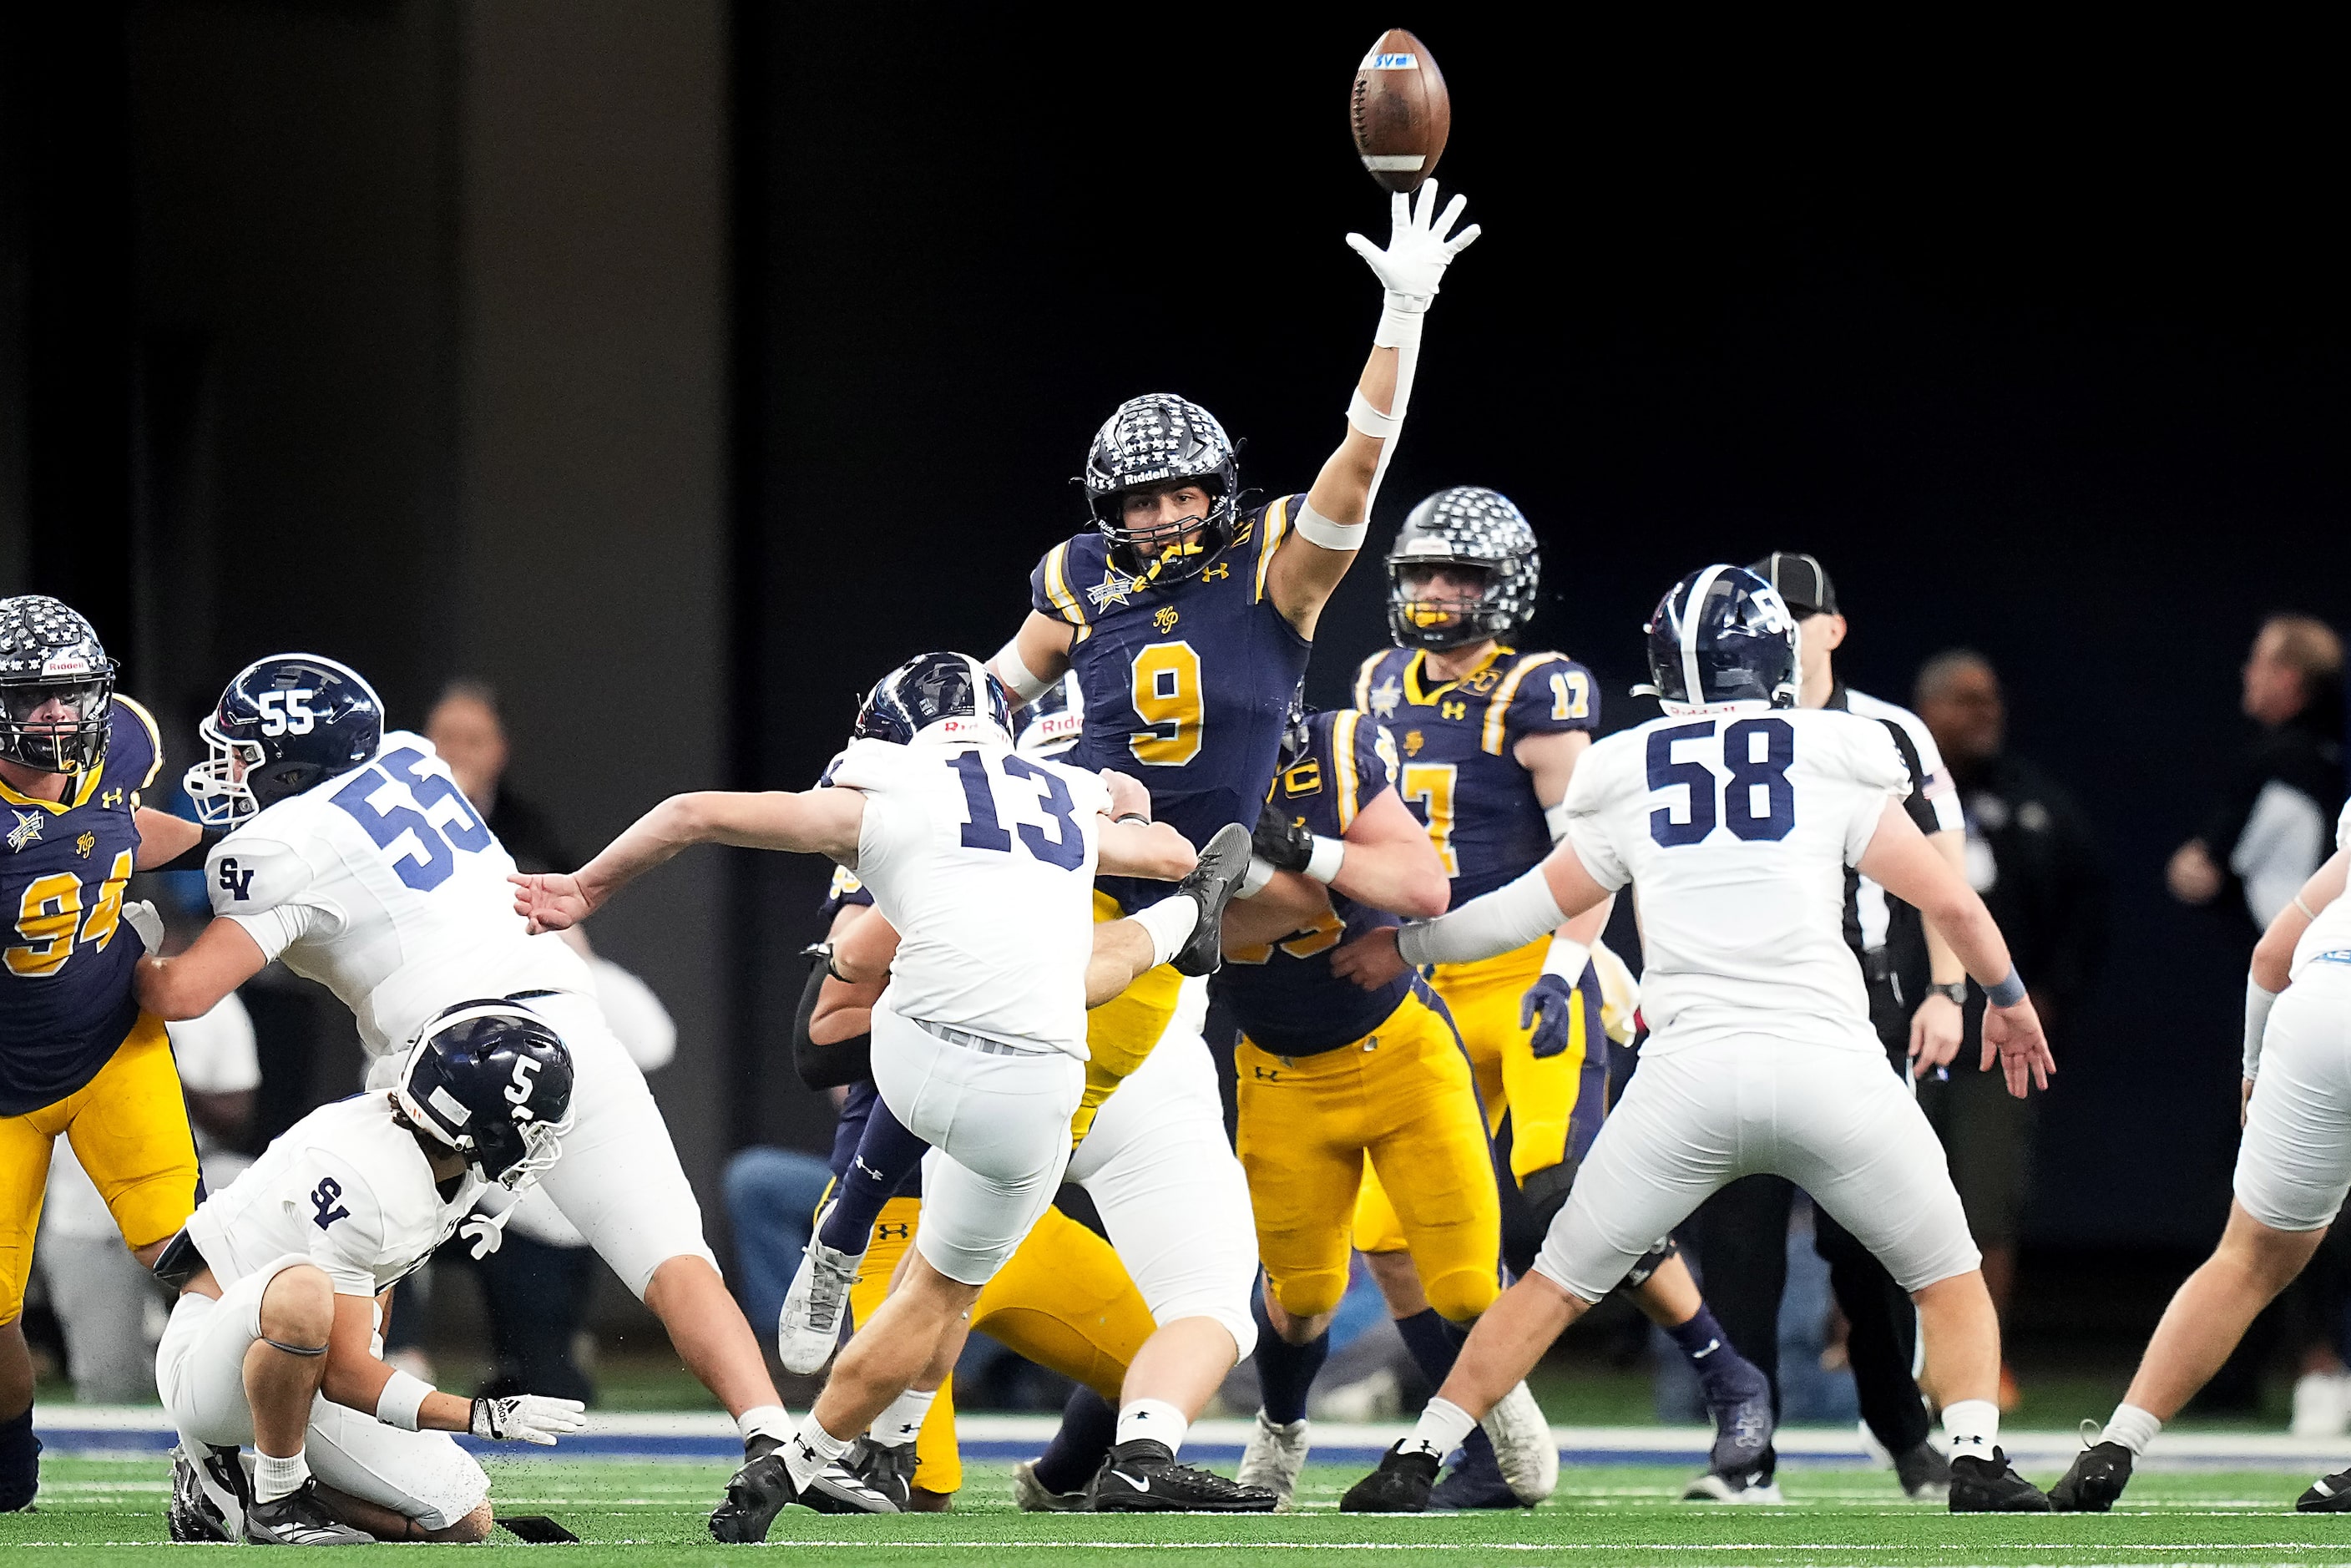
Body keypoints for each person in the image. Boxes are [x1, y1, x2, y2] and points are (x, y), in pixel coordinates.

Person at [1331, 564, 2055, 1515]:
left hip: (1686, 1083)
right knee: (1947, 1274)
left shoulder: (1629, 769)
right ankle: (1971, 1460)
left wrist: (1408, 945)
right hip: (1827, 1067)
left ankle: (1419, 1454)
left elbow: (1521, 911)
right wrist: (2002, 997)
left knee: (1551, 1286)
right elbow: (1949, 899)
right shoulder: (1838, 751)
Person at [979, 185, 1481, 1503]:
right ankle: (929, 1366)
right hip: (1080, 864)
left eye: (1184, 491)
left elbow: (1362, 459)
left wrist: (1403, 313)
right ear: (1106, 505)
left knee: (1168, 1200)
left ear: (1222, 489)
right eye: (1138, 500)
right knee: (1024, 1146)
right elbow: (998, 690)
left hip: (1198, 898)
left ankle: (1096, 1443)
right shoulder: (1076, 573)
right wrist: (914, 753)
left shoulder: (1275, 568)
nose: (1159, 516)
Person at [508, 651, 1253, 1537]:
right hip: (1030, 1087)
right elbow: (1168, 851)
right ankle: (801, 1455)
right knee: (938, 1293)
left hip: (911, 1061)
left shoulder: (889, 788)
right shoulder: (1064, 795)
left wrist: (586, 886)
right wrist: (1118, 809)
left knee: (917, 982)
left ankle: (845, 1223)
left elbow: (691, 815)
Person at [132, 652, 798, 1522]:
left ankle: (246, 1455)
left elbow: (183, 993)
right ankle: (769, 1435)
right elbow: (305, 837)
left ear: (292, 764)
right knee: (672, 1255)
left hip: (443, 1072)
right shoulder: (410, 757)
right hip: (562, 1033)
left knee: (345, 1247)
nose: (224, 773)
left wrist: (105, 927)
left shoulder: (280, 848)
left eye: (245, 756)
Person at [1352, 488, 1775, 1503]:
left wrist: (1563, 969)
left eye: (1461, 576)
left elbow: (1592, 857)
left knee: (1558, 1196)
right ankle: (1497, 1435)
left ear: (1508, 590)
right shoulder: (1373, 682)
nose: (1438, 593)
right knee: (1388, 1238)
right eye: (1423, 573)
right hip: (1428, 992)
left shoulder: (1539, 690)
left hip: (1532, 975)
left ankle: (1724, 1374)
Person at [1664, 550, 1966, 1498]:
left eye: (1793, 615)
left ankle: (1903, 1430)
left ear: (1831, 627)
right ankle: (1747, 1447)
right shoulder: (1695, 728)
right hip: (1731, 999)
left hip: (1856, 1005)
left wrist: (1946, 992)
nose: (1777, 633)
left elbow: (1945, 877)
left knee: (1866, 1234)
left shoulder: (1887, 733)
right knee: (1737, 1232)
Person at [1214, 700, 1558, 1509]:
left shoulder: (1333, 751)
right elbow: (1242, 925)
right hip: (1280, 1073)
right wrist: (1288, 880)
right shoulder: (1164, 807)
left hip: (1403, 1054)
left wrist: (1305, 846)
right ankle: (1281, 1425)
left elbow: (1421, 885)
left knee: (1469, 1289)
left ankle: (1499, 1414)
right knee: (1297, 1302)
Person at [154, 1001, 588, 1544]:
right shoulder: (369, 1178)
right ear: (484, 1130)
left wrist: (384, 1388)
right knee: (303, 1293)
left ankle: (230, 1483)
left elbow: (367, 1302)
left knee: (462, 1522)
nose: (542, 1141)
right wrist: (481, 1416)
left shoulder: (443, 1154)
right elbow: (343, 1372)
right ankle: (275, 1497)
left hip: (304, 1363)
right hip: (217, 1358)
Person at [2050, 797, 2351, 1511]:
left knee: (2247, 1257)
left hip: (2316, 1006)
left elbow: (2270, 955)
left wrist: (2252, 1065)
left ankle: (2117, 1446)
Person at [0, 594, 205, 1510]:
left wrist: (223, 841)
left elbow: (118, 824)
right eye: (30, 698)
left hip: (114, 1046)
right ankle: (9, 1466)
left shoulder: (119, 743)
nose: (57, 714)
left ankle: (240, 1449)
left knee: (188, 1254)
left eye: (72, 694)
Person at [1913, 649, 2106, 1357]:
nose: (1984, 714)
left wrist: (2053, 993)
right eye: (1965, 700)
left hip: (1995, 1037)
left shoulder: (2033, 803)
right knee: (1878, 1203)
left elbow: (2087, 904)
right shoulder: (1890, 795)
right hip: (1902, 1029)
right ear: (1927, 709)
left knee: (1987, 1203)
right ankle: (1866, 1361)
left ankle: (1978, 1358)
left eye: (1990, 700)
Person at [36, 995, 260, 1404]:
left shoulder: (209, 1000)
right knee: (111, 1390)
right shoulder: (53, 996)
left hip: (189, 1199)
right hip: (87, 1211)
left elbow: (237, 1118)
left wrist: (164, 1066)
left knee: (249, 1184)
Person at [2168, 615, 2345, 932]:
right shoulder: (2326, 758)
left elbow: (2207, 871)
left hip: (2288, 966)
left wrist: (2194, 865)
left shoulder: (2282, 763)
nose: (2247, 673)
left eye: (2257, 661)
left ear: (2287, 678)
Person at [423, 680, 574, 873]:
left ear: (500, 750)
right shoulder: (394, 815)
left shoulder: (529, 833)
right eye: (446, 738)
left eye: (473, 742)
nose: (457, 753)